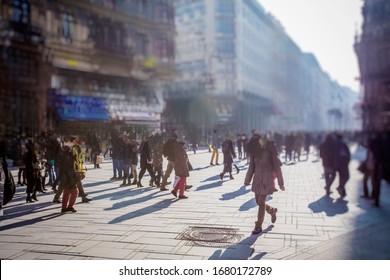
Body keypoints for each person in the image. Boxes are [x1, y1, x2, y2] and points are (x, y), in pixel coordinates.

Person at [244, 135, 285, 235]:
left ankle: (258, 226)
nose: (261, 141)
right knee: (258, 202)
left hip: (267, 179)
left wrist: (281, 183)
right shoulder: (255, 152)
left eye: (263, 140)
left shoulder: (271, 152)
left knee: (261, 202)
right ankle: (272, 211)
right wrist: (247, 179)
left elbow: (277, 168)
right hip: (257, 179)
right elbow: (251, 167)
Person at [57, 146, 78, 213]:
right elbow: (66, 168)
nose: (71, 150)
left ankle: (64, 207)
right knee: (74, 191)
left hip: (67, 177)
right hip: (68, 177)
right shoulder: (65, 157)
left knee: (66, 192)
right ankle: (69, 206)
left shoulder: (66, 156)